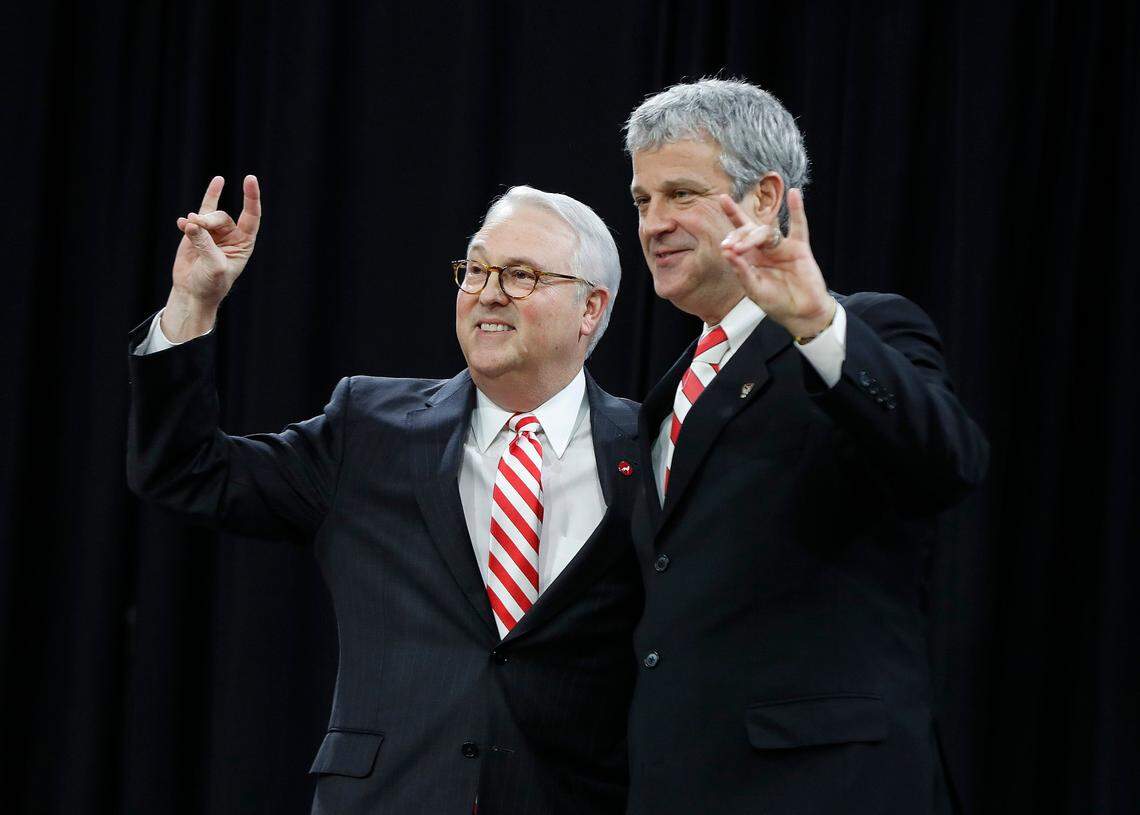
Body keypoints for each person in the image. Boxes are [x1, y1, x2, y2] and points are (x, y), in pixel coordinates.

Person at [126, 177, 643, 814]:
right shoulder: (370, 428)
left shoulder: (649, 450)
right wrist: (190, 305)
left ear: (591, 308)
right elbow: (187, 472)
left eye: (520, 275)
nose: (487, 293)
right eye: (475, 270)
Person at [622, 78, 989, 814]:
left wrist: (819, 323)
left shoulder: (859, 331)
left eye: (681, 194)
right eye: (642, 200)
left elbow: (948, 462)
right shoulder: (663, 397)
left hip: (825, 787)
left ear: (764, 199)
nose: (654, 222)